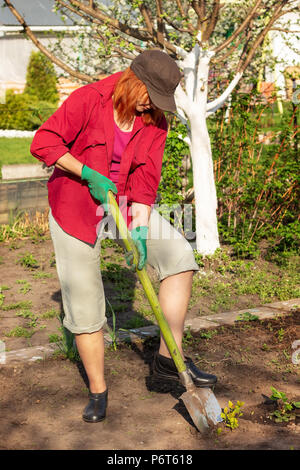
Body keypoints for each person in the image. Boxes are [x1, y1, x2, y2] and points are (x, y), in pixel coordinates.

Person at [31, 49, 217, 423]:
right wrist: (87, 173)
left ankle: (168, 360)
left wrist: (142, 229)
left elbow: (146, 183)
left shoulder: (155, 122)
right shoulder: (90, 98)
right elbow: (44, 143)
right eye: (149, 95)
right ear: (133, 81)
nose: (152, 105)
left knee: (179, 257)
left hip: (124, 203)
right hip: (76, 206)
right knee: (86, 304)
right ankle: (98, 391)